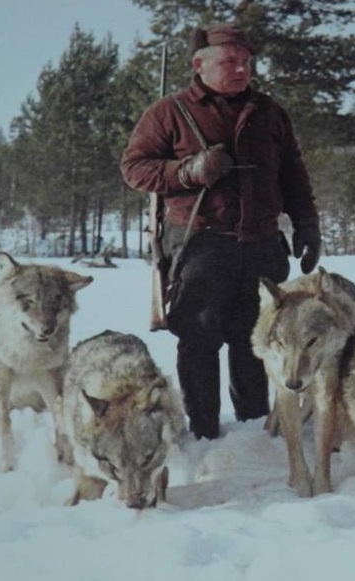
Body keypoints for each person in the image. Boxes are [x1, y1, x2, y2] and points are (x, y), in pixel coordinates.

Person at [120, 23, 321, 440]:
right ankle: (204, 434)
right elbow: (134, 168)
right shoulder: (168, 112)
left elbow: (293, 174)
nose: (242, 70)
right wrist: (187, 171)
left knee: (256, 340)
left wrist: (307, 223)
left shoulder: (269, 112)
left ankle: (251, 432)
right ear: (199, 65)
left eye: (246, 62)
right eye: (231, 61)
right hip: (201, 245)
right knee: (198, 340)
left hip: (262, 244)